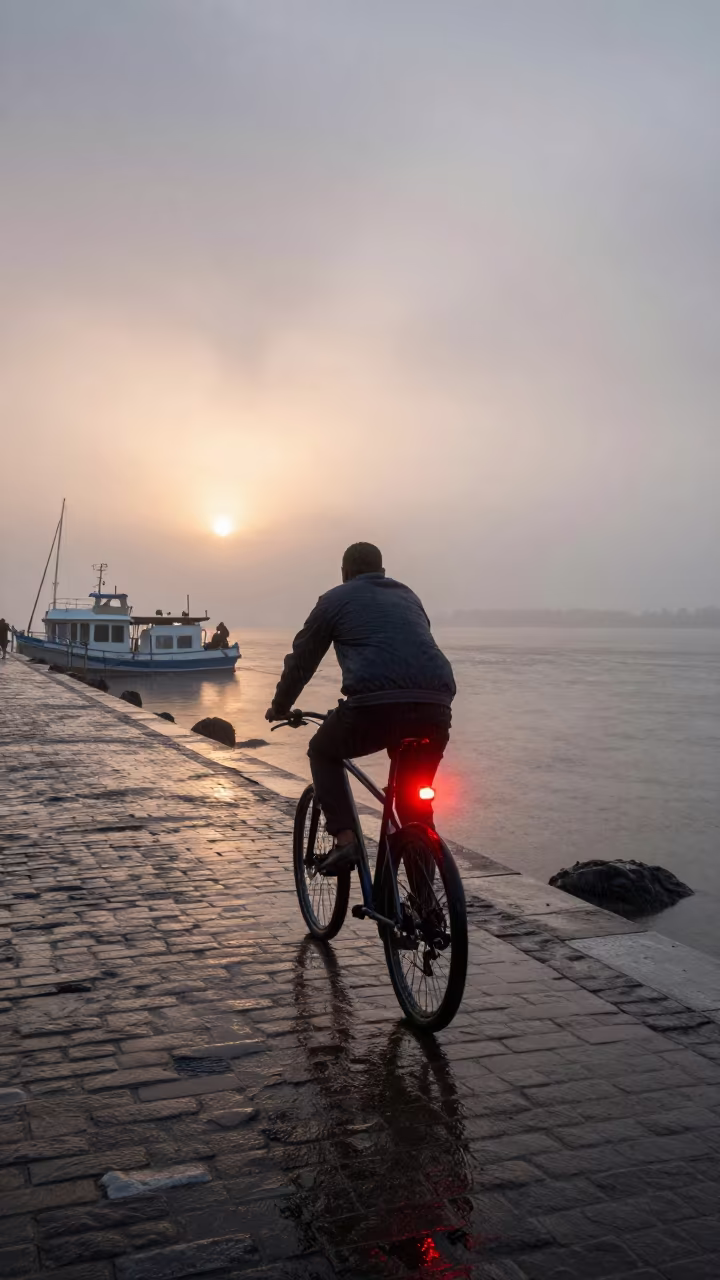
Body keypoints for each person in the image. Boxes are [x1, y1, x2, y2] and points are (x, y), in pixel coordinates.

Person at [266, 543, 455, 874]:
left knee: (322, 750)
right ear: (382, 572)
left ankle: (345, 839)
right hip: (435, 707)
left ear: (344, 573)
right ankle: (427, 911)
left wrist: (281, 705)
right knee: (414, 809)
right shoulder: (408, 595)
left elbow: (302, 661)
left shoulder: (334, 600)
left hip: (374, 708)